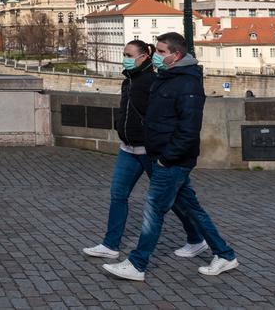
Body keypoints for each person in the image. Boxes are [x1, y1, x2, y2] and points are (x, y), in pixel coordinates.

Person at [103, 32, 239, 282]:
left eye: (162, 52)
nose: (157, 56)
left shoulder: (187, 83)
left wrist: (166, 157)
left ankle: (137, 263)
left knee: (153, 210)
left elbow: (188, 129)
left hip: (172, 159)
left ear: (176, 55)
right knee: (192, 208)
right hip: (162, 155)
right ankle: (224, 253)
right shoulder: (167, 77)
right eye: (156, 51)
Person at [82, 40, 205, 260]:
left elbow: (161, 116)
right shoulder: (128, 81)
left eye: (129, 55)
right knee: (118, 195)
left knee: (176, 198)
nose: (125, 59)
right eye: (124, 54)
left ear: (143, 57)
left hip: (149, 150)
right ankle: (110, 245)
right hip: (127, 148)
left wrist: (159, 144)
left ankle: (197, 239)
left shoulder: (152, 81)